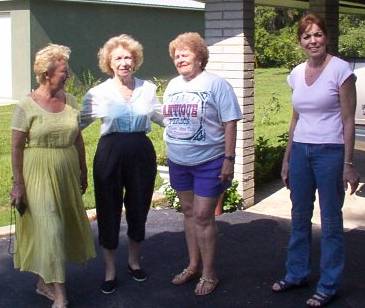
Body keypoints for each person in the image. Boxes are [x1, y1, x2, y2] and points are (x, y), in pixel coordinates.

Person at [271, 13, 360, 307]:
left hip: (330, 153)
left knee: (331, 221)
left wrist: (348, 163)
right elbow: (295, 118)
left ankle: (329, 284)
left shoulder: (341, 70)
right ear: (300, 41)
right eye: (307, 36)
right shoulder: (296, 73)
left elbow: (348, 120)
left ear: (326, 37)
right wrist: (286, 159)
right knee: (299, 217)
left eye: (317, 34)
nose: (313, 41)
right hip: (300, 151)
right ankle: (296, 273)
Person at [10, 44, 96, 308]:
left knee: (57, 228)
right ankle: (60, 295)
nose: (68, 74)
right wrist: (18, 184)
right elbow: (15, 146)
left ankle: (42, 283)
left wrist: (83, 170)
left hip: (67, 170)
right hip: (37, 173)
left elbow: (78, 138)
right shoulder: (27, 104)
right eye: (63, 71)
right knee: (51, 229)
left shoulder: (70, 100)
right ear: (47, 73)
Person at [80, 34, 163, 294]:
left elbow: (162, 117)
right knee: (108, 207)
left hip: (141, 151)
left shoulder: (147, 88)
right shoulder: (98, 93)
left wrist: (194, 125)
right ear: (109, 62)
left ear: (135, 60)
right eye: (118, 58)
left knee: (139, 206)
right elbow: (76, 124)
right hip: (110, 152)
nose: (124, 62)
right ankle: (109, 270)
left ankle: (134, 262)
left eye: (128, 57)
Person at [162, 32, 242, 296]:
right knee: (187, 212)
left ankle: (210, 273)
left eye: (185, 53)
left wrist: (229, 159)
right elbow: (170, 121)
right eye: (176, 55)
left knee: (203, 216)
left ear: (199, 57)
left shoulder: (217, 84)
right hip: (178, 160)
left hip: (209, 161)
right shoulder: (172, 85)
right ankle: (193, 265)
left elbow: (230, 122)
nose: (180, 58)